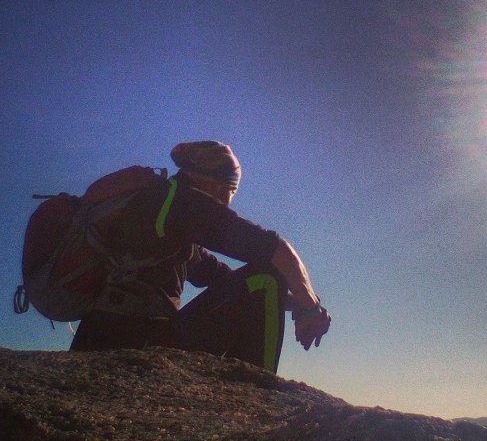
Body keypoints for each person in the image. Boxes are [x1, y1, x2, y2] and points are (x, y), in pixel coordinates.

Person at [68, 141, 331, 373]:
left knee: (266, 282)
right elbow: (276, 251)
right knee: (269, 277)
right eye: (230, 190)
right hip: (136, 342)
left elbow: (227, 281)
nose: (226, 201)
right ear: (217, 183)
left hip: (101, 336)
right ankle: (256, 393)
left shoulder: (163, 207)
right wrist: (310, 307)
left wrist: (296, 303)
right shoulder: (185, 204)